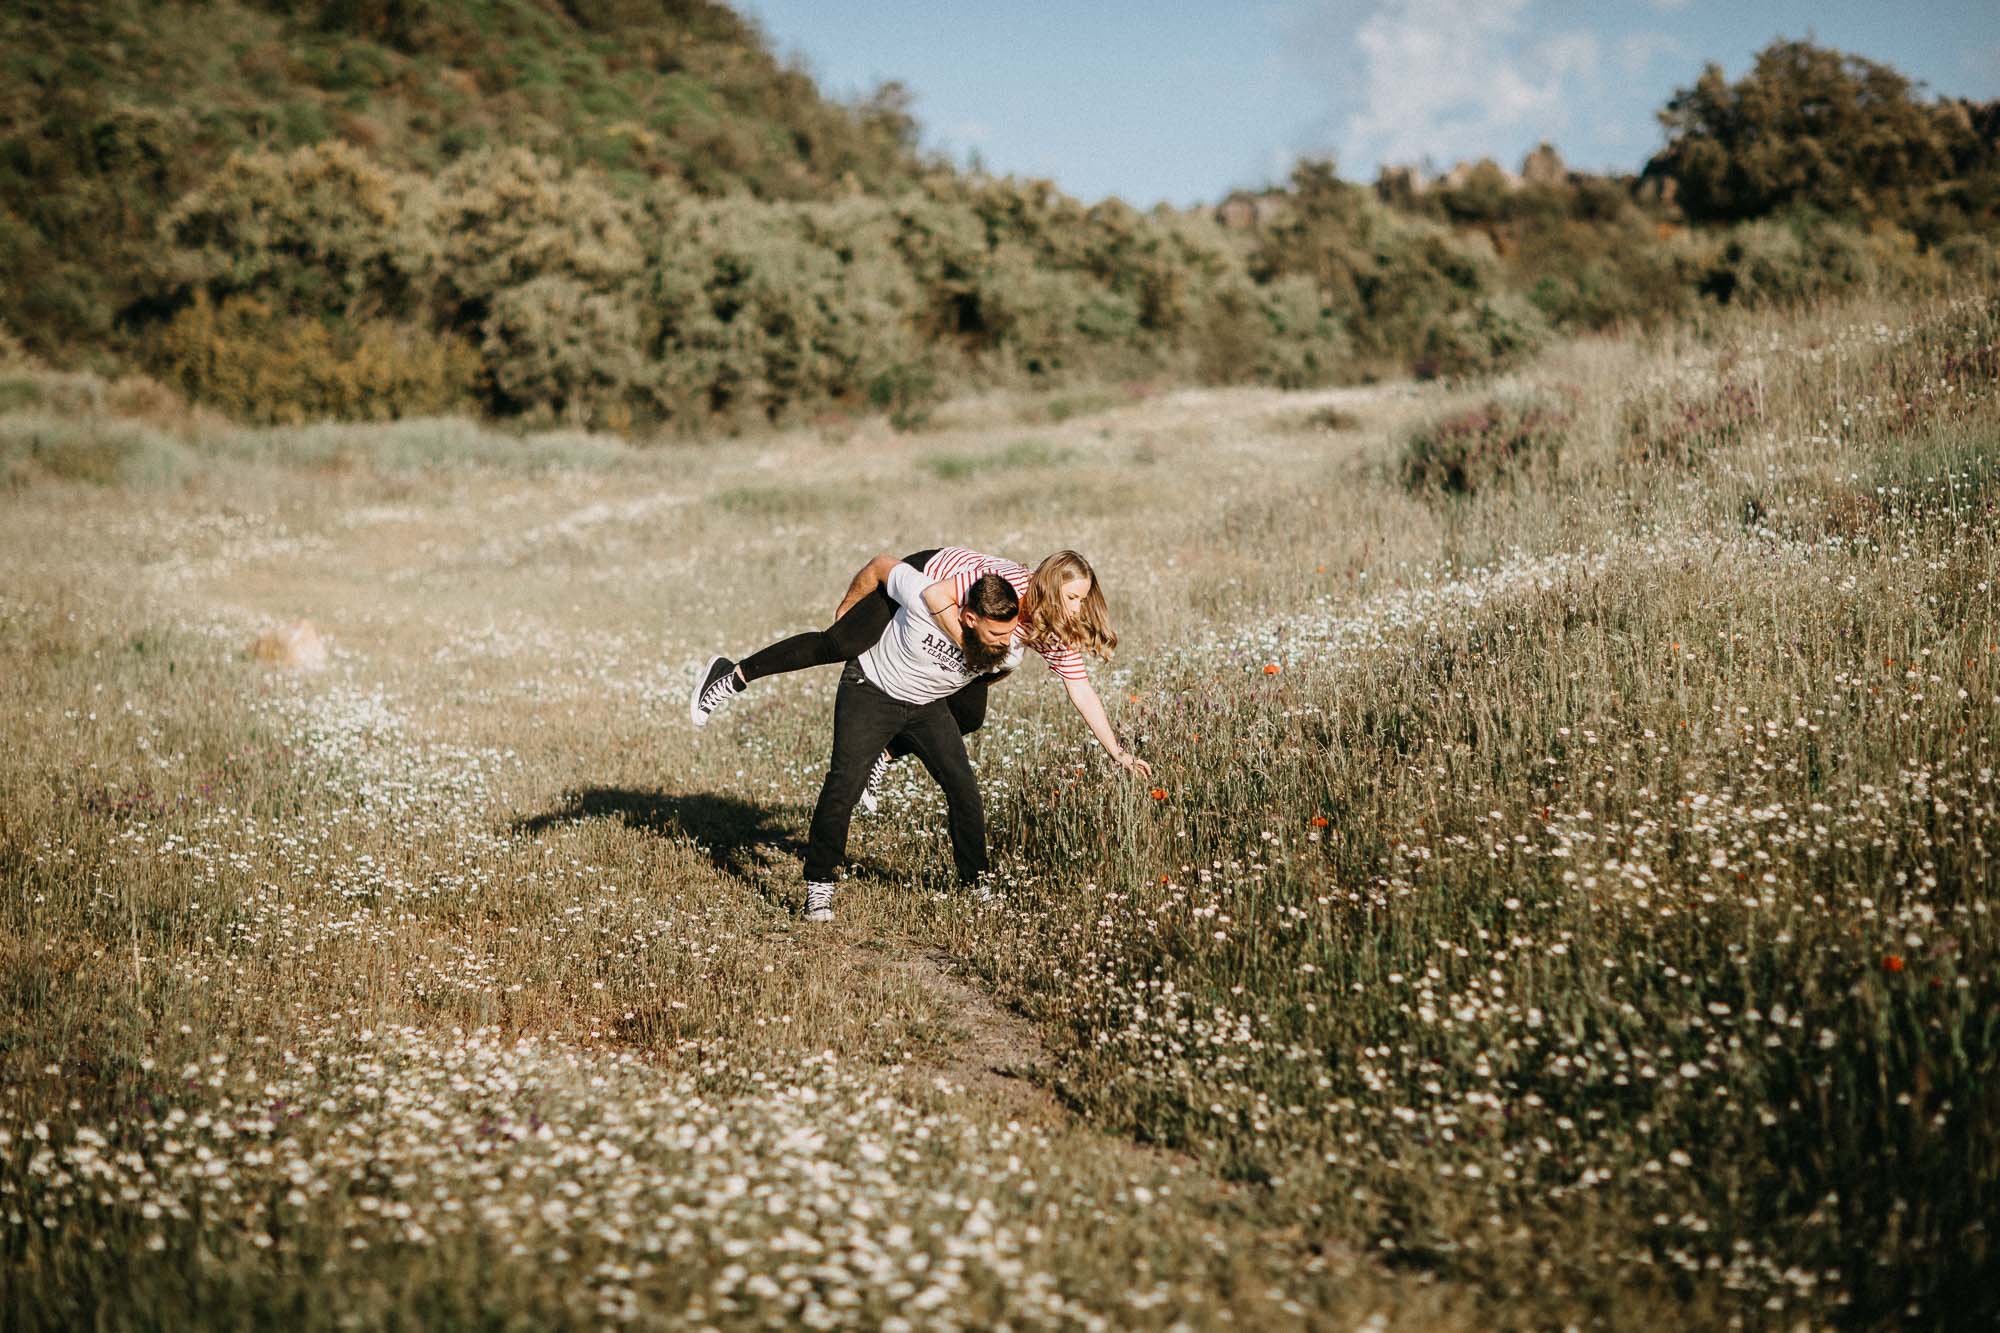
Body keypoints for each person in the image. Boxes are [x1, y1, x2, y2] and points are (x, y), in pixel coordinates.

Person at [690, 548, 1151, 809]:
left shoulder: (1052, 628)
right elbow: (927, 592)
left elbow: (1080, 689)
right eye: (1072, 597)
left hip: (970, 629)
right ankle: (732, 674)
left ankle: (885, 754)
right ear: (1049, 589)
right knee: (840, 644)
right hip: (927, 582)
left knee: (968, 717)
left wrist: (1118, 754)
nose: (1077, 608)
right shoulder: (1000, 584)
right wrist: (855, 605)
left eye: (1082, 598)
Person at [793, 568, 1023, 921]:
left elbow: (1000, 667)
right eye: (996, 633)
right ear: (969, 617)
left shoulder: (1007, 648)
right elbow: (881, 565)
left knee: (963, 788)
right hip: (871, 689)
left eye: (1009, 633)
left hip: (927, 706)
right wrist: (847, 610)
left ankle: (976, 883)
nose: (1005, 642)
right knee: (844, 784)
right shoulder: (922, 599)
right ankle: (819, 886)